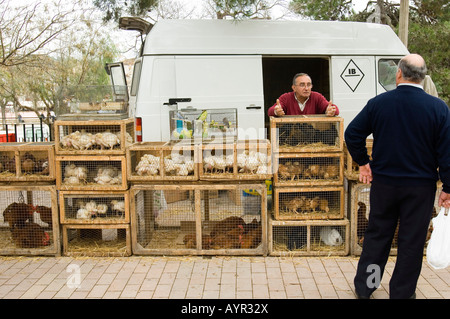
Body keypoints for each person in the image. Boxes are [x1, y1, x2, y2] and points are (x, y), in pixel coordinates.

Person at [344, 53, 450, 299]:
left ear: (399, 73)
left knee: (378, 235)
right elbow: (446, 151)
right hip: (420, 187)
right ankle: (402, 293)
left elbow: (352, 134)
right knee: (412, 241)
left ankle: (367, 286)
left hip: (385, 184)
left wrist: (363, 163)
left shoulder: (379, 103)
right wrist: (447, 187)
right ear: (423, 78)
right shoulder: (438, 108)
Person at [267, 73, 339, 117]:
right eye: (302, 85)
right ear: (294, 88)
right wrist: (276, 111)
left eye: (308, 85)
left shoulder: (317, 97)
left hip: (313, 137)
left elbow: (334, 109)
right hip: (290, 138)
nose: (306, 88)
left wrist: (331, 110)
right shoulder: (286, 98)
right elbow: (270, 111)